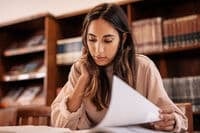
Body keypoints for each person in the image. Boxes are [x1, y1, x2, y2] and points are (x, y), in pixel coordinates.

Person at [51, 3, 187, 132]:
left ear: (122, 39)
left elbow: (178, 118)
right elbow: (61, 124)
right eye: (92, 39)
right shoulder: (80, 69)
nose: (98, 50)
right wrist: (83, 80)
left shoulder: (143, 67)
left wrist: (172, 122)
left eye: (108, 40)